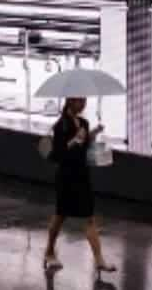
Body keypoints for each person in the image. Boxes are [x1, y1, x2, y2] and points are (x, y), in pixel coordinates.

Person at [44, 97, 115, 274]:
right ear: (70, 101)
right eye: (79, 101)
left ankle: (99, 260)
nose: (83, 104)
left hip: (82, 174)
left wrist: (93, 133)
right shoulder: (61, 125)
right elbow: (59, 153)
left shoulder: (83, 121)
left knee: (89, 217)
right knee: (60, 215)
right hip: (66, 175)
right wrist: (74, 140)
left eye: (84, 101)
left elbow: (84, 145)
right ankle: (49, 252)